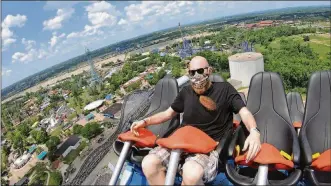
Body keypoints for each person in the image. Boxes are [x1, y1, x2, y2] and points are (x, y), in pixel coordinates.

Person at [130, 56, 261, 185]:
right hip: (181, 142)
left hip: (208, 148)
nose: (196, 76)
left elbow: (244, 112)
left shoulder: (224, 89)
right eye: (192, 72)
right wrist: (145, 121)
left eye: (200, 71)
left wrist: (254, 131)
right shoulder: (186, 92)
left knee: (191, 173)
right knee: (149, 163)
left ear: (209, 71)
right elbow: (168, 113)